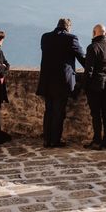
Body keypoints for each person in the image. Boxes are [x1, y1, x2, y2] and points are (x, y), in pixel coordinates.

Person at [36, 18, 85, 148]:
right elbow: (82, 58)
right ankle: (55, 140)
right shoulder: (71, 38)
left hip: (46, 80)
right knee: (58, 112)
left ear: (57, 25)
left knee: (49, 111)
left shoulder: (45, 37)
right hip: (62, 82)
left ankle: (46, 139)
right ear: (69, 27)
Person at [83, 24, 106, 150]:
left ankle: (97, 140)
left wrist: (85, 86)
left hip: (94, 86)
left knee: (96, 114)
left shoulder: (92, 47)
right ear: (105, 33)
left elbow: (89, 71)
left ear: (94, 33)